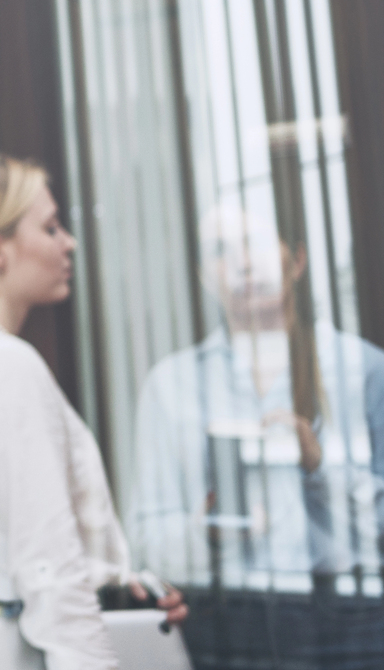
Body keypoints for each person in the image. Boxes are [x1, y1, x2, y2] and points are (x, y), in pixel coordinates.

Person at [0, 154, 186, 670]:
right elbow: (47, 565)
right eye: (50, 227)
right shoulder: (3, 367)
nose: (67, 241)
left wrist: (116, 582)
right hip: (22, 650)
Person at [127, 204, 384, 670]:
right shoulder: (171, 386)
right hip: (223, 630)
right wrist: (207, 532)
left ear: (298, 260)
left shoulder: (361, 369)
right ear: (205, 276)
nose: (243, 263)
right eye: (220, 251)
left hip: (355, 628)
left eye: (259, 243)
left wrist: (319, 469)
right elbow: (145, 545)